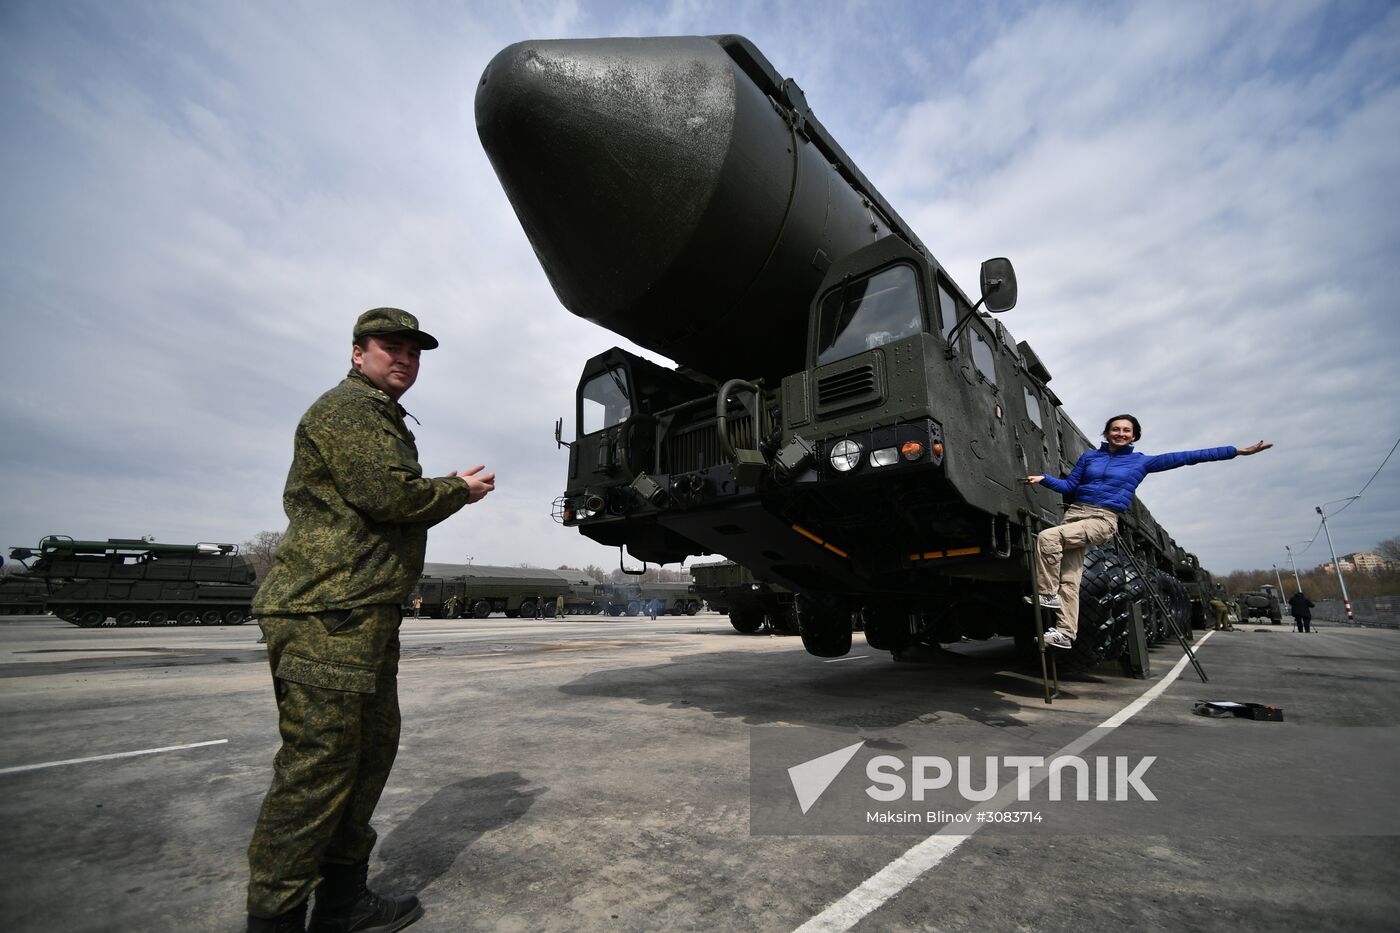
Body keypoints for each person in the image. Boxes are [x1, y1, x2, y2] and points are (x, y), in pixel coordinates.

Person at [246, 308, 496, 933]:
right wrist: (457, 489)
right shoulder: (348, 410)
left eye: (414, 352)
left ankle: (340, 904)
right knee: (317, 770)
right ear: (359, 354)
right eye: (392, 347)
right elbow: (387, 496)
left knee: (363, 759)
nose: (405, 359)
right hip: (326, 614)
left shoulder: (379, 414)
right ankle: (273, 920)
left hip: (361, 617)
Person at [1026, 415, 1270, 650]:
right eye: (1116, 429)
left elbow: (1186, 457)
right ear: (1107, 432)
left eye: (1126, 431)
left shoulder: (1141, 462)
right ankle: (1066, 633)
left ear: (1134, 437)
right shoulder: (1090, 457)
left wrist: (1236, 451)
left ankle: (1046, 593)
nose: (1120, 433)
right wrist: (1044, 479)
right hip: (1074, 515)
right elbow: (1069, 486)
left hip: (1102, 518)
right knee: (1070, 578)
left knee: (1049, 537)